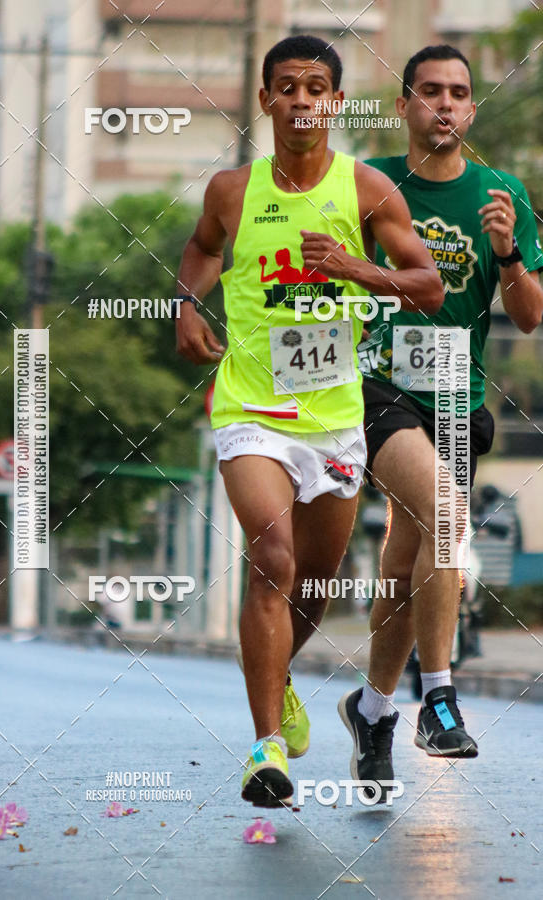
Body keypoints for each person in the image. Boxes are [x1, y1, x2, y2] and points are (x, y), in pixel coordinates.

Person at [175, 34, 443, 808]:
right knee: (273, 556)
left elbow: (426, 286)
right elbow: (199, 253)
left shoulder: (367, 191)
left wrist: (356, 267)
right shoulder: (231, 190)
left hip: (332, 416)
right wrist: (184, 306)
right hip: (252, 407)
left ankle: (277, 670)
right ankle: (266, 751)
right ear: (266, 101)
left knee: (315, 585)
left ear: (334, 102)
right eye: (285, 86)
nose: (301, 100)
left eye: (316, 86)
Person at [339, 45, 543, 795]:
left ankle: (373, 709)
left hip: (457, 395)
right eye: (431, 92)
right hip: (378, 384)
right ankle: (440, 699)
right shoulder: (370, 183)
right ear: (405, 107)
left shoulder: (501, 193)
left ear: (472, 110)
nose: (446, 105)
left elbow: (528, 318)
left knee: (405, 562)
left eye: (459, 93)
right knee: (449, 517)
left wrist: (510, 254)